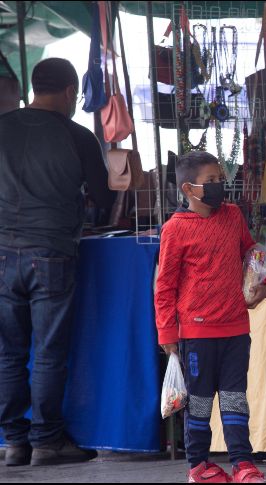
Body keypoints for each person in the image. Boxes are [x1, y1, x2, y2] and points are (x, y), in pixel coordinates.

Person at [0, 58, 113, 467]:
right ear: (69, 92)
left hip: (1, 253)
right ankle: (47, 441)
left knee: (8, 353)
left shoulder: (2, 127)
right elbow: (105, 199)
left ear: (33, 86)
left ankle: (14, 443)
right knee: (48, 351)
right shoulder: (78, 136)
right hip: (50, 251)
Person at [155, 151, 266, 483]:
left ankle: (242, 464)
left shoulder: (233, 216)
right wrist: (167, 334)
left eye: (222, 179)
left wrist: (263, 284)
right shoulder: (174, 230)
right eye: (211, 182)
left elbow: (252, 254)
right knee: (201, 404)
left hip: (236, 329)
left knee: (235, 399)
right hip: (197, 334)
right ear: (189, 190)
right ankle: (198, 467)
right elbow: (164, 286)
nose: (220, 186)